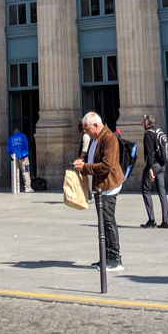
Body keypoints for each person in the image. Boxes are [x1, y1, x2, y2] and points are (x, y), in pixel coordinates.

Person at [74, 111, 124, 272]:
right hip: (100, 186)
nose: (86, 133)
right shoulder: (97, 138)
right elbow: (93, 157)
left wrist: (85, 168)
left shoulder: (109, 138)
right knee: (102, 223)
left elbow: (106, 166)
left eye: (87, 130)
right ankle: (106, 257)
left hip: (109, 185)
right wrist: (82, 160)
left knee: (108, 221)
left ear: (95, 126)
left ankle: (115, 259)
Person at [139, 115, 168, 228]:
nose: (142, 123)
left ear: (147, 122)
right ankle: (166, 221)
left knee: (145, 190)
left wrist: (150, 170)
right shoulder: (157, 131)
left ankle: (151, 219)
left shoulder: (148, 134)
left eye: (143, 121)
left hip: (153, 165)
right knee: (162, 193)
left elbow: (149, 153)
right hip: (162, 165)